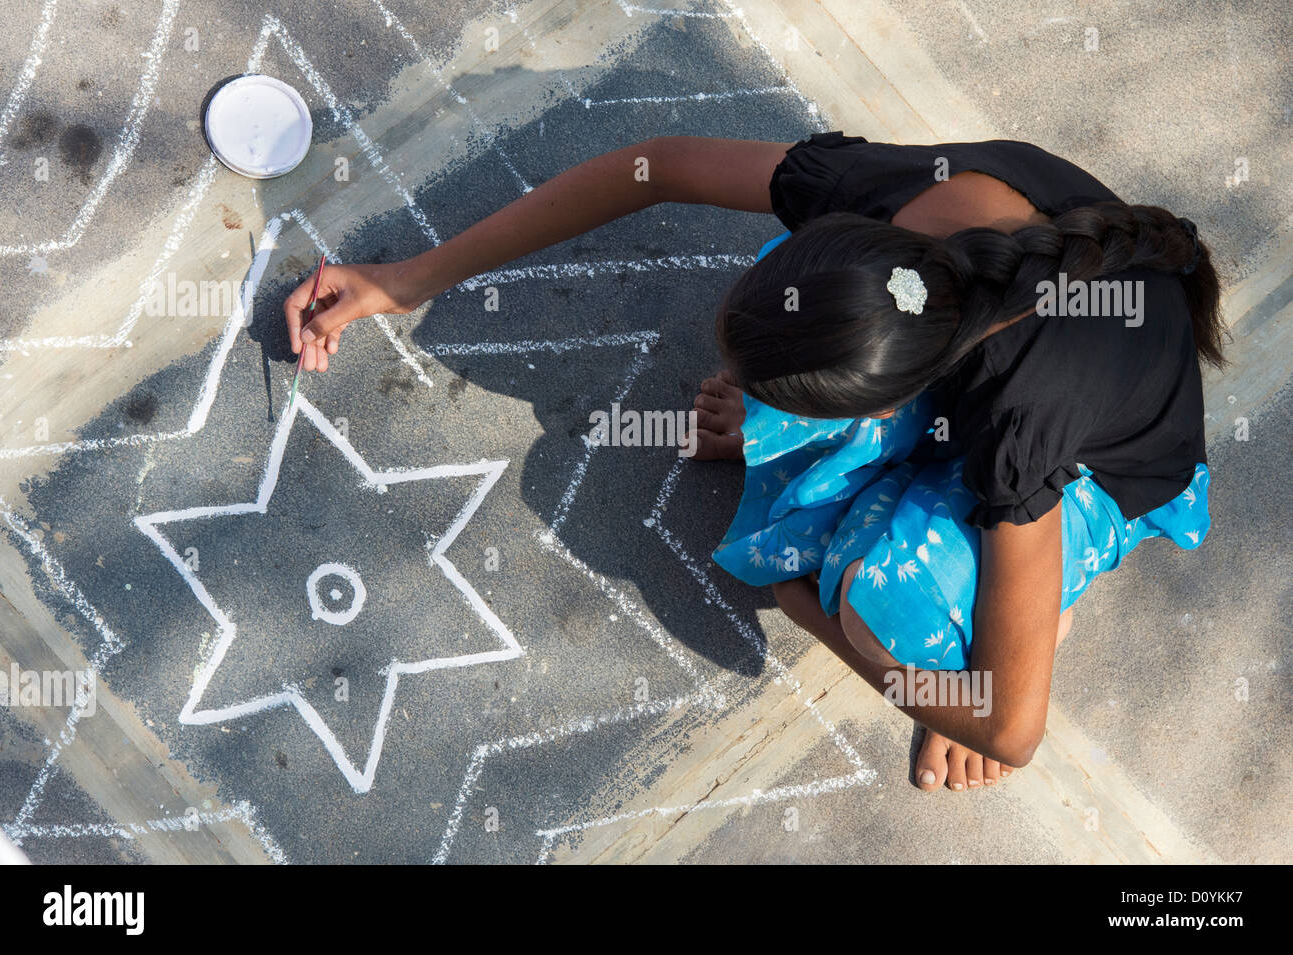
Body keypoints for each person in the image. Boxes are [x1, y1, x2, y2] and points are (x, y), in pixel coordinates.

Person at [284, 133, 1222, 792]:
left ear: (892, 405)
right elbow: (658, 168)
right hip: (978, 360)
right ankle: (866, 474)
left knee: (869, 595)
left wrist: (815, 618)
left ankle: (1033, 607)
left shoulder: (1027, 428)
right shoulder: (881, 199)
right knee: (772, 409)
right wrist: (406, 279)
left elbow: (1011, 734)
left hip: (1090, 470)